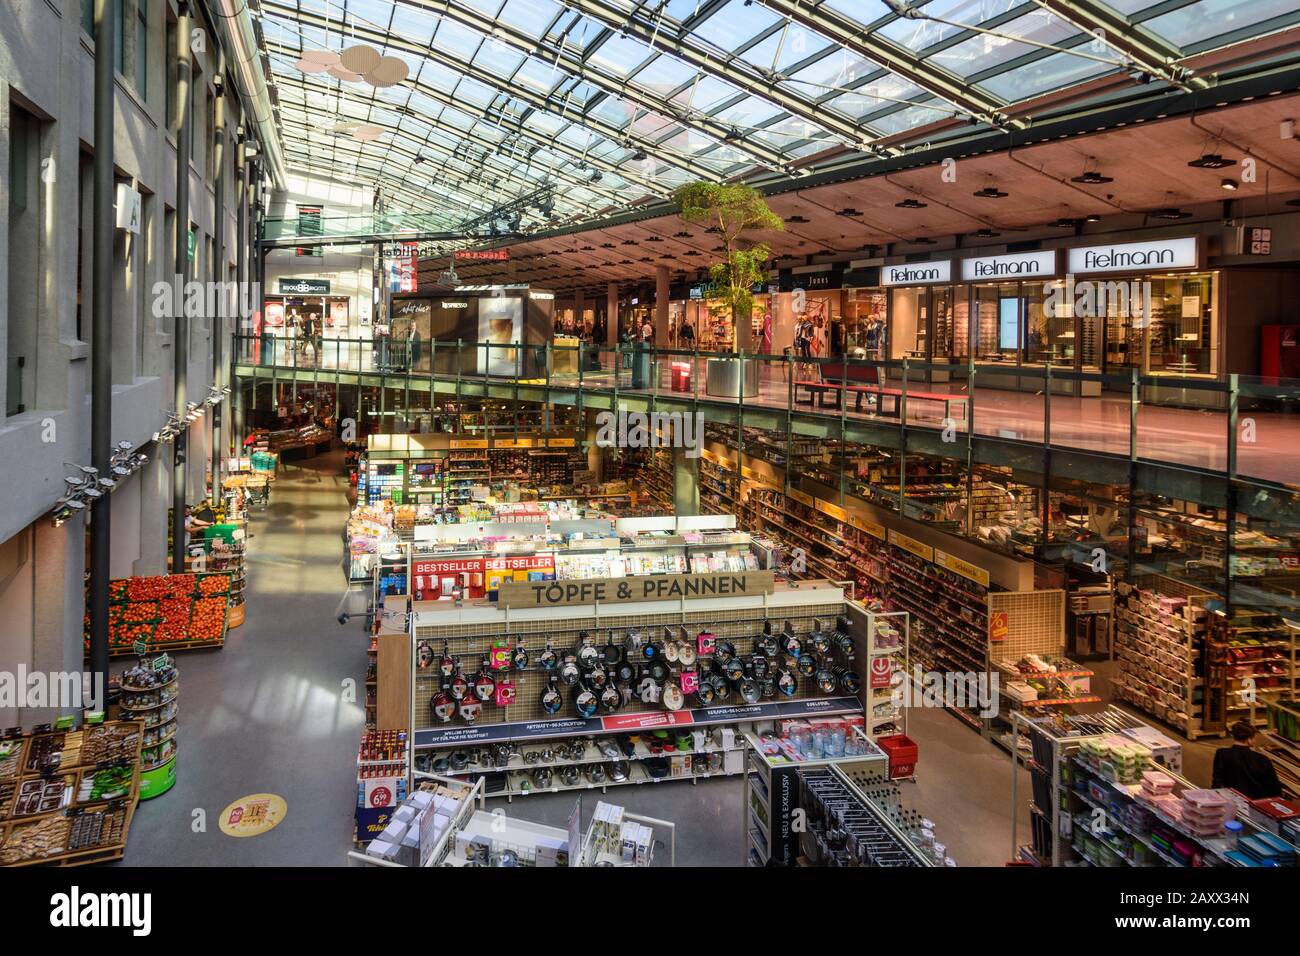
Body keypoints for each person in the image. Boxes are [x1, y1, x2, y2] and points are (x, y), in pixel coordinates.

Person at [1211, 720, 1283, 799]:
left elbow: (1217, 781)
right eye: (1254, 738)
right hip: (1255, 802)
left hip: (1230, 799)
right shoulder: (1262, 759)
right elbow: (1273, 787)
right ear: (1248, 740)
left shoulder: (1221, 754)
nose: (1255, 741)